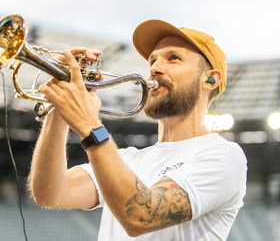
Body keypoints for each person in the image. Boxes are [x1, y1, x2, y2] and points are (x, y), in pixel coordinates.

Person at [28, 19, 247, 241]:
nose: (154, 68)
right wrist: (59, 105)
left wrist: (89, 124)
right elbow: (50, 192)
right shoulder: (124, 160)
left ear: (210, 79)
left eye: (173, 58)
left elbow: (143, 216)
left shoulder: (224, 155)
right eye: (153, 60)